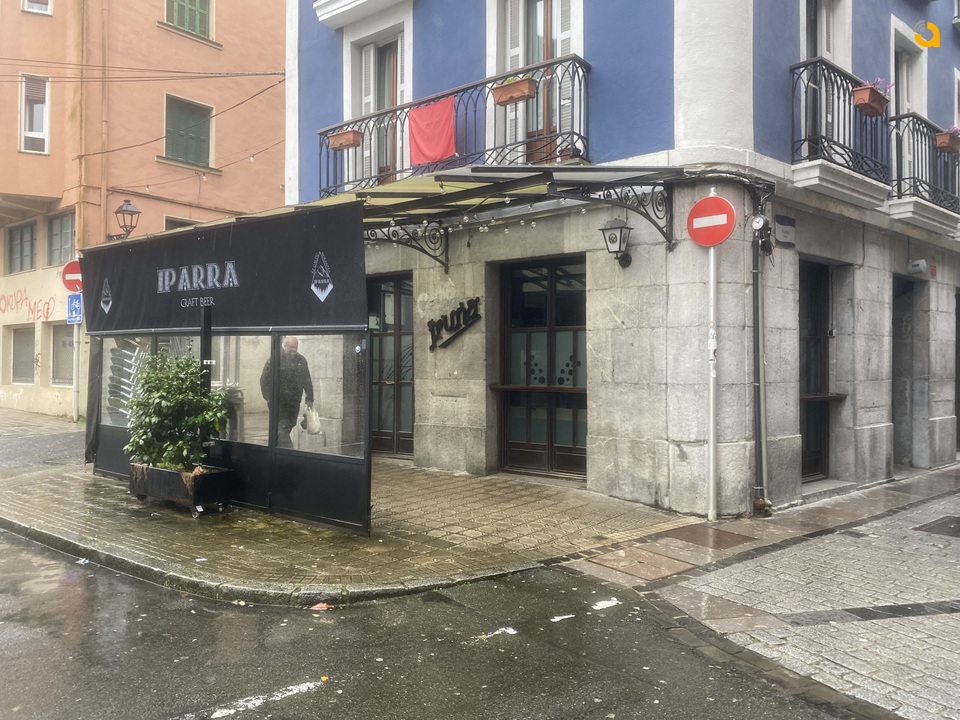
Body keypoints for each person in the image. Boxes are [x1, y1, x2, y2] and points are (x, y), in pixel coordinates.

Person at [260, 336, 314, 448]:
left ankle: (276, 451)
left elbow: (307, 380)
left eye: (296, 347)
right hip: (278, 402)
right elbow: (264, 379)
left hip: (294, 402)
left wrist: (309, 398)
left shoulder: (301, 360)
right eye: (291, 347)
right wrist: (269, 397)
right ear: (284, 346)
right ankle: (288, 451)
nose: (294, 349)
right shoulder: (275, 359)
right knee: (282, 427)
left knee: (288, 425)